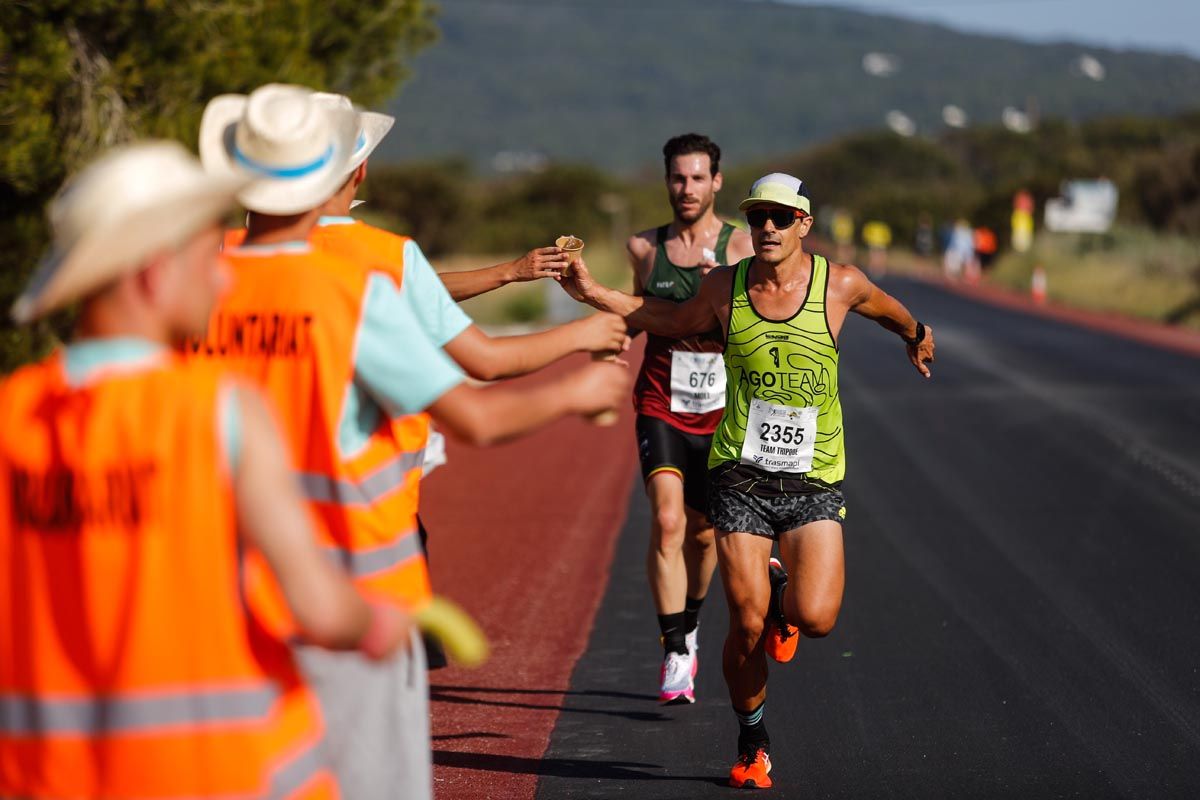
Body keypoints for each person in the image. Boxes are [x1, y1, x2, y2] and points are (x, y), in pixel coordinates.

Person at [192, 84, 628, 800]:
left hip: (216, 584)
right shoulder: (361, 280)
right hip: (352, 586)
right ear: (354, 172)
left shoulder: (193, 275)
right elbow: (480, 398)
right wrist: (578, 378)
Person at [0, 142, 411, 799]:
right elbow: (318, 607)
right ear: (154, 273)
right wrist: (380, 623)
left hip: (46, 779)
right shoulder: (217, 410)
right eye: (205, 259)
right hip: (220, 773)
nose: (222, 277)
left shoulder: (13, 415)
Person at [562, 173, 935, 790]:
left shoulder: (838, 284)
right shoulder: (723, 286)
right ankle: (752, 740)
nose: (766, 227)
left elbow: (888, 309)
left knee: (816, 618)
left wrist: (916, 336)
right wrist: (594, 291)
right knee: (748, 621)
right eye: (758, 216)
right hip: (739, 475)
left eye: (780, 218)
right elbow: (669, 319)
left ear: (803, 226)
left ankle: (787, 600)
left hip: (814, 477)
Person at [627, 133, 753, 703]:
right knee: (670, 522)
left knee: (704, 536)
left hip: (721, 415)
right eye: (678, 178)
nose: (687, 188)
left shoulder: (741, 248)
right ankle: (674, 648)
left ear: (716, 182)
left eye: (698, 178)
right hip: (660, 405)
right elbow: (637, 315)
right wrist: (606, 347)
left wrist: (717, 293)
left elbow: (758, 326)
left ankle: (692, 622)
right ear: (667, 181)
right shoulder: (643, 248)